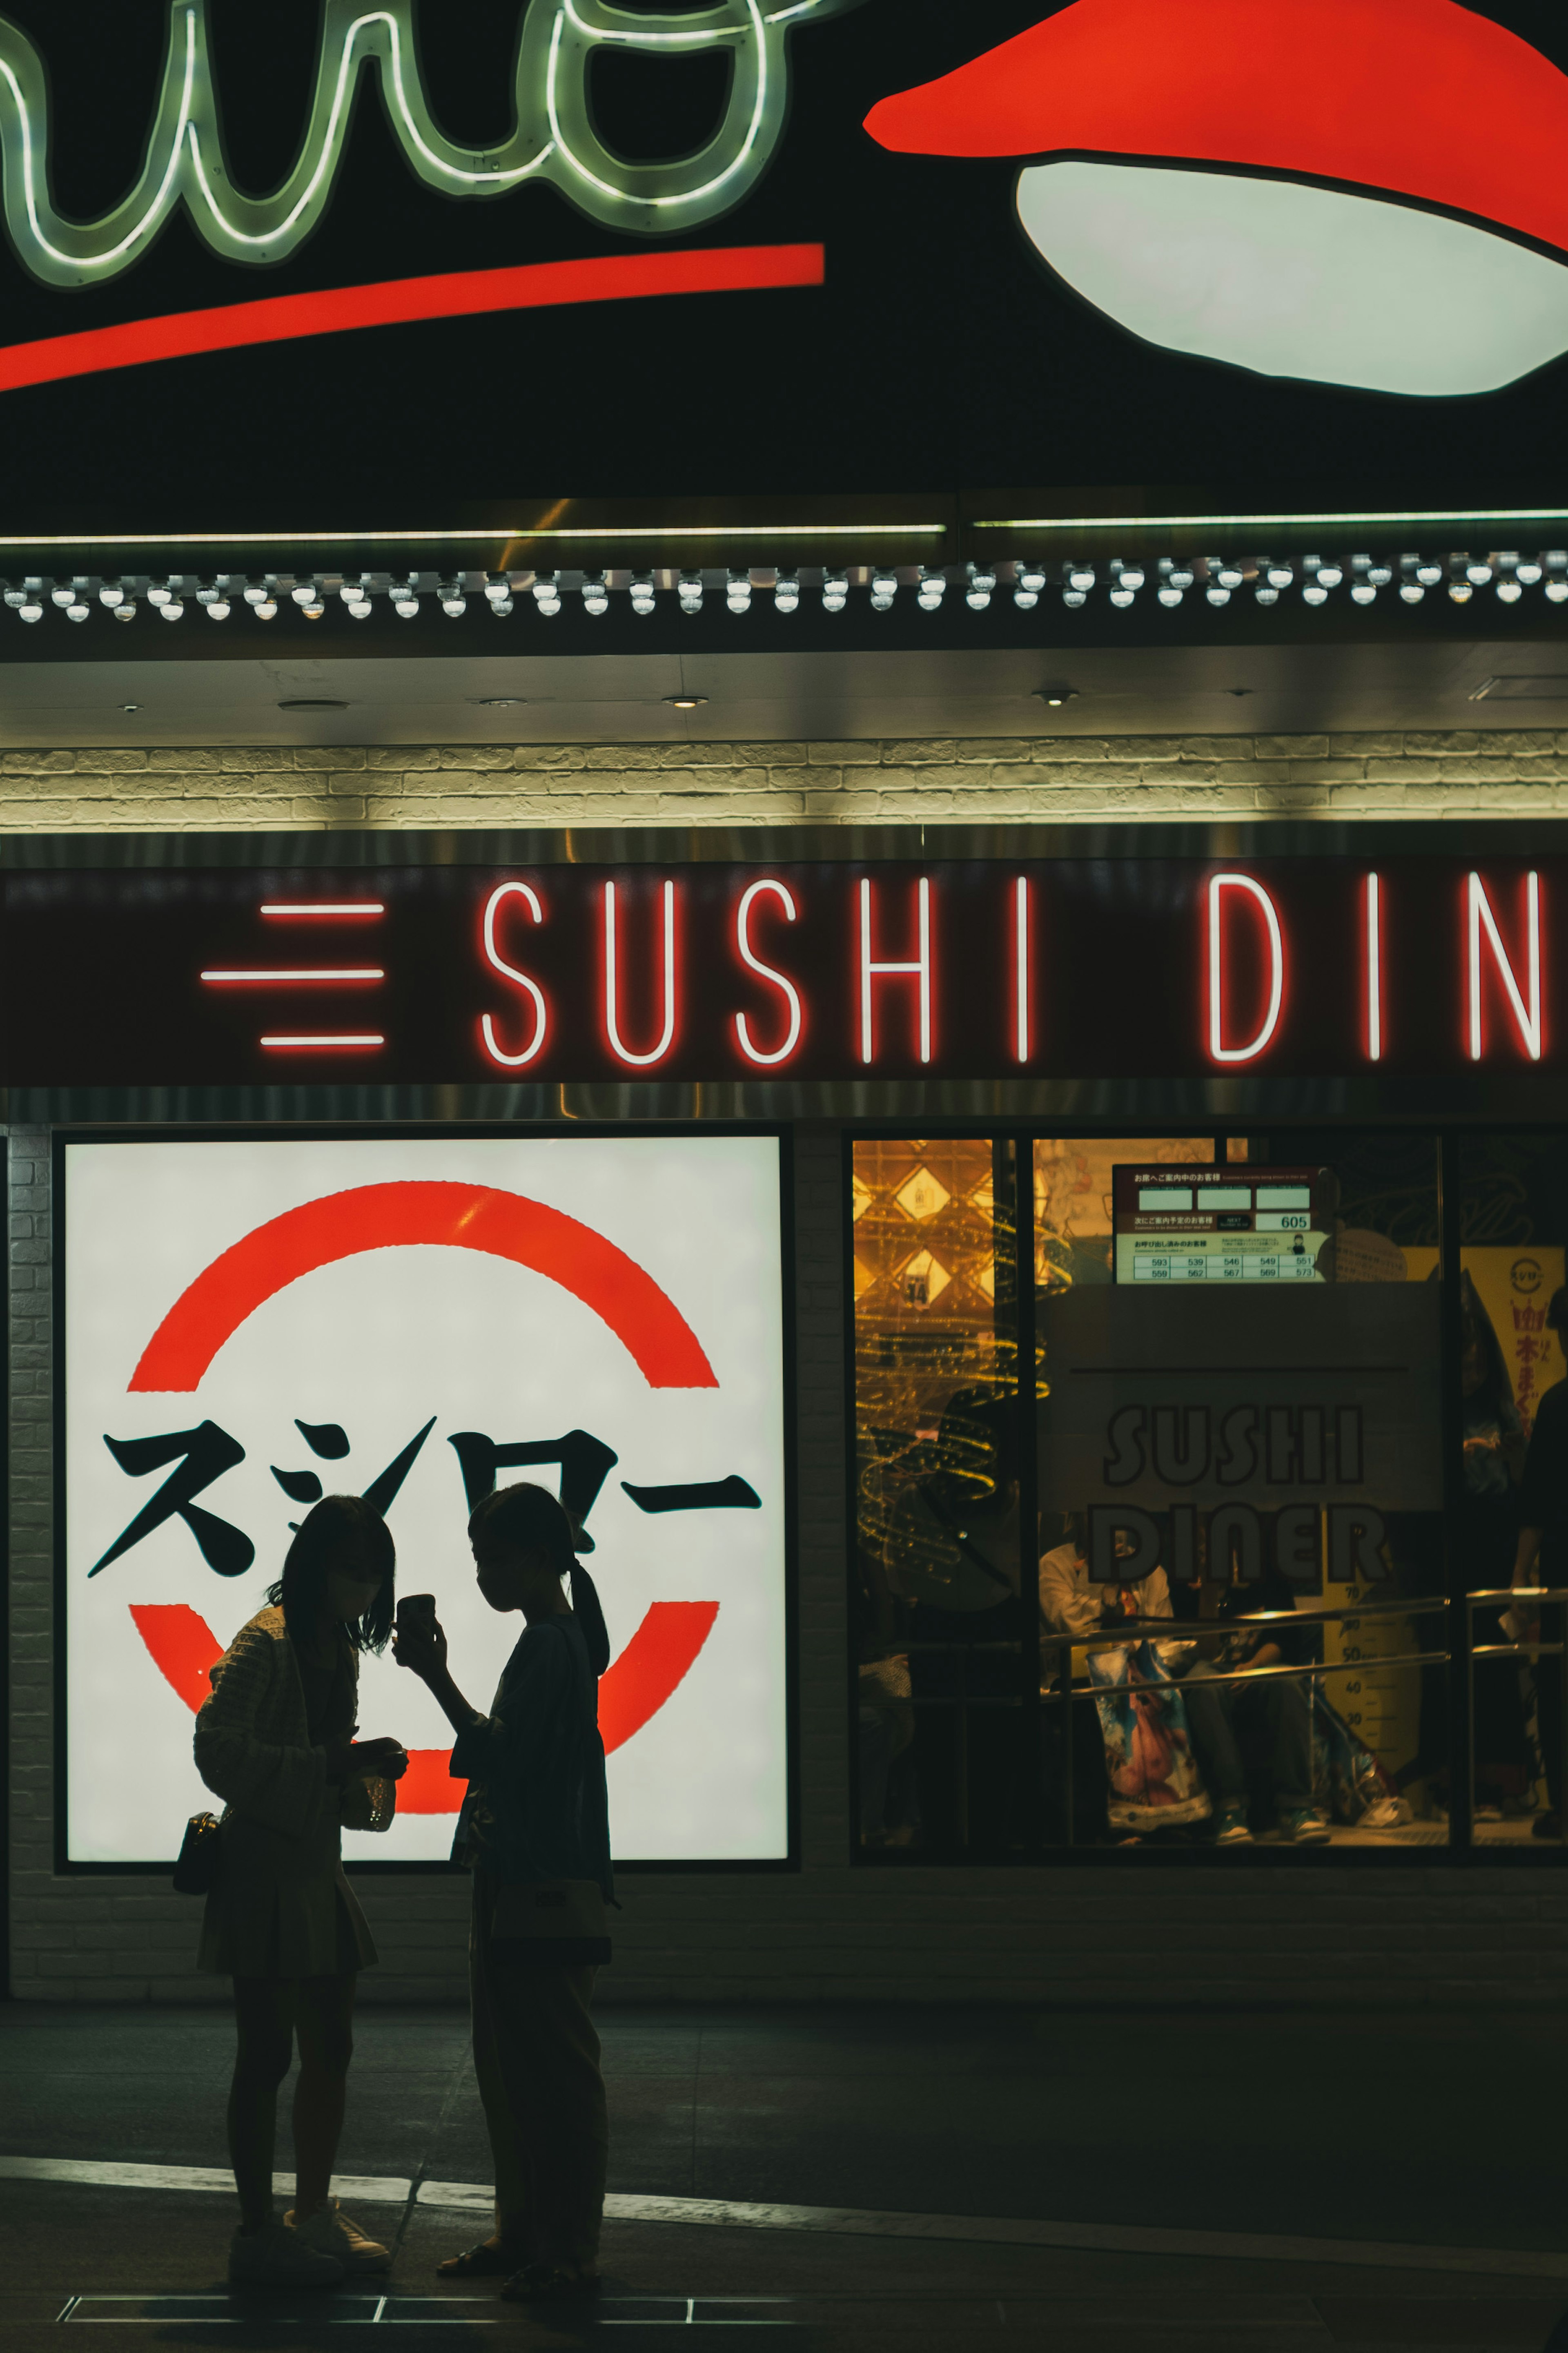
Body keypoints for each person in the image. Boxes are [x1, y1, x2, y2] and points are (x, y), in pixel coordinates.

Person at [394, 1483, 614, 2306]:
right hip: (534, 1877)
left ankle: (561, 2245)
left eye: (493, 1557)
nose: (483, 1573)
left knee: (548, 2073)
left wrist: (436, 1675)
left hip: (533, 1878)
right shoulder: (562, 1639)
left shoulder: (550, 1647)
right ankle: (534, 2234)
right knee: (525, 2070)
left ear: (536, 1559)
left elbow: (501, 1755)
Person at [193, 1494, 409, 2289]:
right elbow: (216, 1747)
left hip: (312, 1861)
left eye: (374, 1576)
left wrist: (352, 1773)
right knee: (266, 2055)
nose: (364, 1591)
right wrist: (337, 1768)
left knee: (329, 2046)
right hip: (268, 1865)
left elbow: (315, 1752)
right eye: (355, 1573)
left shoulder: (330, 1644)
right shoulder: (268, 1642)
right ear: (317, 1567)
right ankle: (260, 2229)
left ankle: (307, 2213)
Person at [1512, 1286, 1568, 1839]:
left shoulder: (1556, 1404)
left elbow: (1536, 1502)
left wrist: (1519, 1573)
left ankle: (1565, 1806)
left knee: (1557, 1688)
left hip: (1564, 1571)